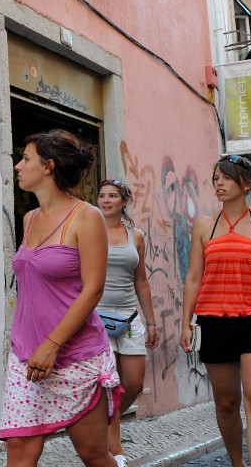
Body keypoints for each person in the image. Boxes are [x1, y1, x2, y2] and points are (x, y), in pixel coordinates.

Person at [0, 129, 122, 467]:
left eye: (25, 159)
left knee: (94, 454)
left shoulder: (86, 216)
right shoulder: (30, 218)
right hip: (26, 355)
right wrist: (36, 346)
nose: (18, 167)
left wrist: (52, 343)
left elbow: (93, 288)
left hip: (75, 356)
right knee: (19, 451)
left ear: (48, 167)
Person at [180, 154, 251, 467]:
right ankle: (237, 463)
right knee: (227, 402)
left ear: (245, 184)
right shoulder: (205, 226)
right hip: (215, 322)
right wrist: (185, 323)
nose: (218, 183)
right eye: (215, 178)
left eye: (225, 177)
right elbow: (193, 276)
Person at [94, 179, 158, 465]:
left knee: (133, 383)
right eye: (102, 195)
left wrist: (152, 322)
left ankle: (100, 426)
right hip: (96, 319)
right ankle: (115, 450)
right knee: (112, 385)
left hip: (130, 317)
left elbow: (141, 281)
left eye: (112, 196)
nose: (106, 200)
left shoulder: (137, 236)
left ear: (124, 201)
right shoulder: (89, 231)